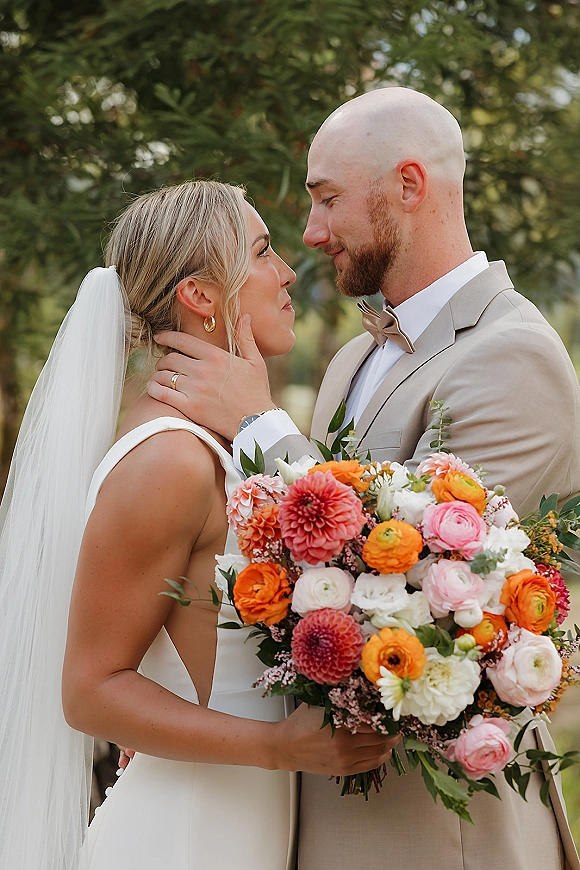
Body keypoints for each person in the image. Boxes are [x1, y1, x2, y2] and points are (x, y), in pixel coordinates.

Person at [147, 90, 580, 869]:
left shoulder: (513, 355)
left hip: (441, 830)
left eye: (327, 200)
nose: (312, 233)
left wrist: (260, 425)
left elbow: (431, 588)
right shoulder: (354, 356)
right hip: (320, 803)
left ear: (409, 186)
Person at [0, 180, 398, 870]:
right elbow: (91, 690)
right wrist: (277, 748)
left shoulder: (224, 444)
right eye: (263, 252)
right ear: (203, 298)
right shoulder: (169, 460)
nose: (284, 274)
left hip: (244, 826)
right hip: (182, 837)